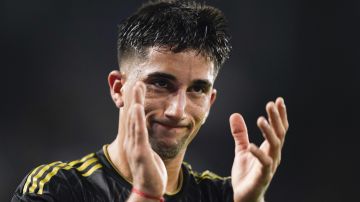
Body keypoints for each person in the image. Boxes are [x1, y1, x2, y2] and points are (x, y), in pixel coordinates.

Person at [12, 0, 289, 201]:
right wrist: (145, 195)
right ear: (118, 88)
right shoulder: (57, 188)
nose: (177, 110)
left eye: (197, 90)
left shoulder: (227, 195)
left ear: (210, 102)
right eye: (161, 83)